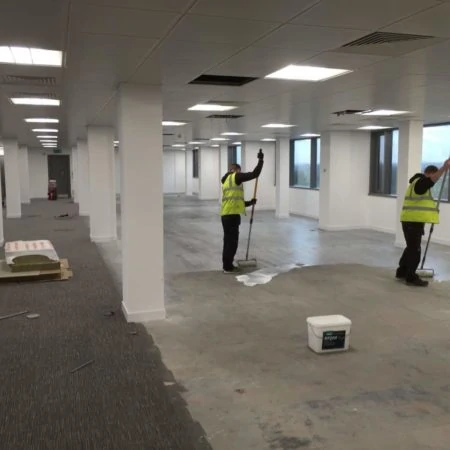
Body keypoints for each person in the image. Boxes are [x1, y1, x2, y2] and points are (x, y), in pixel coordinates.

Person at [396, 159, 450, 286]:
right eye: (434, 176)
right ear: (430, 173)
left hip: (412, 221)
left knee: (411, 247)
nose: (435, 181)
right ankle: (411, 277)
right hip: (412, 221)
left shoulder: (417, 183)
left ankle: (401, 271)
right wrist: (444, 168)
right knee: (415, 250)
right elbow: (431, 181)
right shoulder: (420, 183)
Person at [220, 149, 264, 273]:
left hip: (225, 215)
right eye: (239, 171)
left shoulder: (225, 181)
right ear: (237, 170)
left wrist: (250, 202)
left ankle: (226, 265)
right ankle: (228, 267)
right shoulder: (236, 176)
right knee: (232, 243)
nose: (240, 174)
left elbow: (236, 201)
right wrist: (261, 160)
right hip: (232, 216)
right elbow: (254, 174)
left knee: (227, 242)